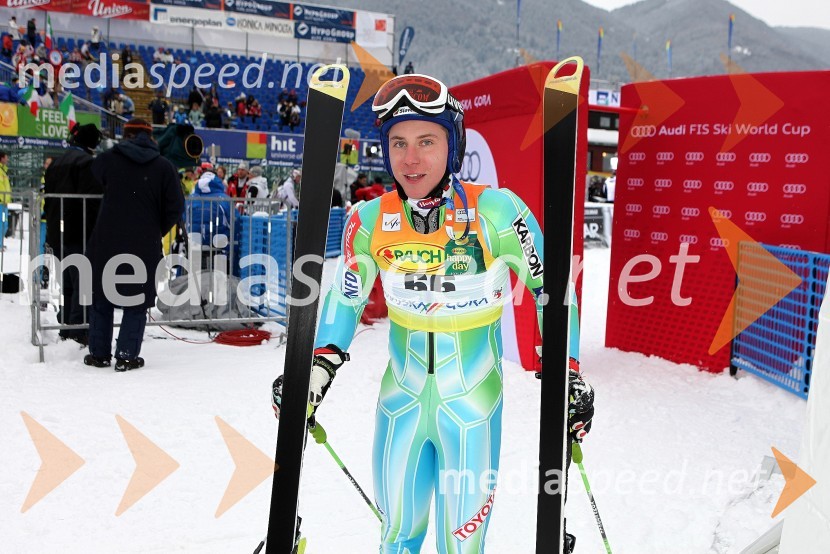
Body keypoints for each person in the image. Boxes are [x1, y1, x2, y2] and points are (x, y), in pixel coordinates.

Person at [273, 74, 594, 553]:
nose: (411, 159)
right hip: (399, 404)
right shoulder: (369, 221)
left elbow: (550, 290)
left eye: (427, 140)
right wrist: (314, 371)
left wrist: (565, 373)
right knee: (397, 538)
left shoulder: (496, 212)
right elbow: (346, 297)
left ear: (453, 145)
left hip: (471, 407)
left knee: (460, 546)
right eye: (398, 143)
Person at [84, 119, 183, 371]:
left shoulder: (107, 159)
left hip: (106, 239)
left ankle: (99, 354)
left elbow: (92, 183)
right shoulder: (164, 166)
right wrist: (154, 229)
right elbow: (175, 207)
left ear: (126, 135)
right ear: (150, 138)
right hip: (143, 242)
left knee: (102, 296)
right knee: (137, 300)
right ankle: (126, 355)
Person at [43, 124, 104, 345]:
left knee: (68, 282)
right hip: (81, 230)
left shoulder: (57, 162)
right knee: (83, 282)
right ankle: (79, 330)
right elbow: (93, 202)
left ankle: (67, 326)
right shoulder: (87, 163)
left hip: (58, 230)